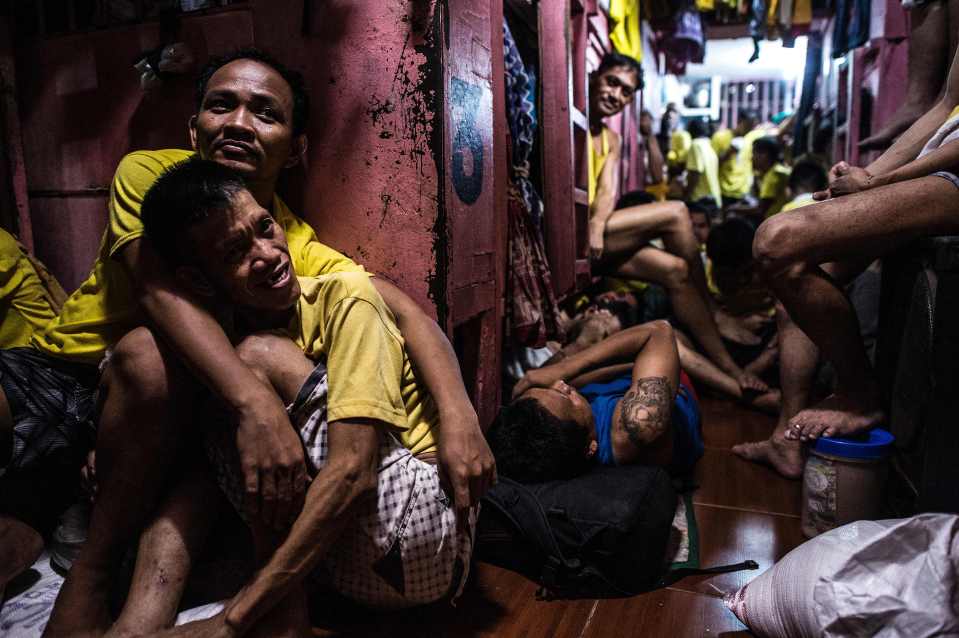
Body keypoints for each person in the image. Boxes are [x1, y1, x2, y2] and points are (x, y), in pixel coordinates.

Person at [40, 49, 493, 637]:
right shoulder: (154, 179)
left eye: (264, 112)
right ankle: (111, 593)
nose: (237, 123)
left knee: (245, 362)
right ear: (193, 126)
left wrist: (461, 416)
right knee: (162, 358)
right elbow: (158, 295)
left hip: (402, 523)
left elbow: (395, 305)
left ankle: (261, 613)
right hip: (84, 375)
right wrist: (255, 410)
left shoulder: (286, 242)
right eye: (220, 105)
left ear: (295, 146)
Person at [126, 159, 473, 636]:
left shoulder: (345, 296)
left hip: (425, 533)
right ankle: (136, 625)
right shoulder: (227, 334)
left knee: (256, 359)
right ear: (201, 281)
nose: (267, 253)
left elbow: (353, 472)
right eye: (235, 251)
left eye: (265, 228)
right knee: (216, 395)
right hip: (360, 568)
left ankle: (281, 620)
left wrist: (233, 621)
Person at [734, 34, 959, 478]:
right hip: (938, 171)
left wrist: (880, 185)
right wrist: (870, 173)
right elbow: (943, 108)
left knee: (776, 241)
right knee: (791, 283)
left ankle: (859, 395)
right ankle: (785, 441)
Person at [491, 321, 702, 483]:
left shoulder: (559, 439)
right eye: (567, 397)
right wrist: (563, 367)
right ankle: (734, 380)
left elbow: (572, 386)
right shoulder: (637, 425)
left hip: (619, 384)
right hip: (680, 383)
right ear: (590, 447)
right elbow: (660, 331)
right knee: (681, 341)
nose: (560, 384)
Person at [711, 108, 764, 209]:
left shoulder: (752, 138)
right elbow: (712, 164)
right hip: (724, 191)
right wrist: (728, 153)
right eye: (748, 126)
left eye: (752, 127)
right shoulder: (720, 137)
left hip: (744, 191)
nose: (749, 130)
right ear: (739, 121)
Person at [684, 118, 722, 209]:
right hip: (714, 196)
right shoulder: (709, 144)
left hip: (700, 199)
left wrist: (686, 195)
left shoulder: (696, 145)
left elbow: (695, 173)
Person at [640, 109, 667, 200]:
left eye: (647, 120)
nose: (643, 124)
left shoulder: (653, 141)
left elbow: (657, 176)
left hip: (653, 191)